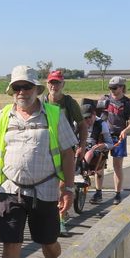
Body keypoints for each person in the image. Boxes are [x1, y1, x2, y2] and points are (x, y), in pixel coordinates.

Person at [0, 65, 77, 258]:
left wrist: (69, 188)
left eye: (26, 87)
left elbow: (67, 154)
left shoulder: (53, 114)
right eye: (17, 87)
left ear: (36, 89)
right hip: (11, 190)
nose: (21, 91)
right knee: (10, 242)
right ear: (12, 91)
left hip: (45, 190)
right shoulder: (3, 116)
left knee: (48, 241)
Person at [42, 70, 87, 237]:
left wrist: (82, 146)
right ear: (47, 84)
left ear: (63, 84)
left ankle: (60, 220)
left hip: (65, 148)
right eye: (51, 82)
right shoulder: (41, 102)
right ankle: (50, 217)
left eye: (57, 83)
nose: (54, 86)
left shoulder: (69, 103)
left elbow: (82, 125)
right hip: (46, 149)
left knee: (63, 184)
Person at [99, 76, 130, 205]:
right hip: (104, 135)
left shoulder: (127, 103)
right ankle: (98, 191)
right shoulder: (105, 99)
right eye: (110, 88)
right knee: (99, 163)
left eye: (114, 88)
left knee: (117, 166)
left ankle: (117, 193)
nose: (112, 90)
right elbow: (97, 116)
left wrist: (124, 131)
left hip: (118, 136)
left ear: (121, 87)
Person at [84, 100, 114, 204]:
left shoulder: (102, 124)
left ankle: (98, 191)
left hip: (95, 149)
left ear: (94, 115)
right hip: (81, 146)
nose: (87, 120)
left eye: (89, 117)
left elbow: (110, 144)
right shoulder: (78, 122)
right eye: (85, 118)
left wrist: (103, 145)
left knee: (92, 155)